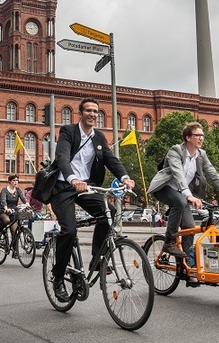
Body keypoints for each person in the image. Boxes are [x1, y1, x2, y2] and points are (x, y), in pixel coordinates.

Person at [49, 97, 135, 302]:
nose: (92, 114)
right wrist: (73, 178)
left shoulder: (98, 137)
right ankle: (58, 278)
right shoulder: (68, 132)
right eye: (88, 110)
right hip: (63, 186)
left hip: (85, 187)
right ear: (81, 113)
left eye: (96, 111)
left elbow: (111, 159)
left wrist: (124, 177)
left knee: (109, 214)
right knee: (69, 230)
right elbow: (62, 157)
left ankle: (97, 259)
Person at [148, 122, 219, 261]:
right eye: (197, 135)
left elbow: (213, 175)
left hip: (183, 194)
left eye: (202, 135)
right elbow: (178, 173)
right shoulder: (176, 151)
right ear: (188, 138)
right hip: (164, 188)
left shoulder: (201, 155)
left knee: (189, 227)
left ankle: (188, 263)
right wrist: (188, 195)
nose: (201, 138)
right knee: (179, 201)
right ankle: (169, 241)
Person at [0, 175, 27, 251]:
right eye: (13, 180)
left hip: (13, 211)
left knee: (14, 230)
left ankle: (15, 250)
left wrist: (27, 205)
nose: (15, 182)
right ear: (9, 181)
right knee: (7, 221)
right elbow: (3, 200)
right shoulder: (5, 190)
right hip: (2, 210)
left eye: (17, 180)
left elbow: (23, 198)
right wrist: (6, 208)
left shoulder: (18, 190)